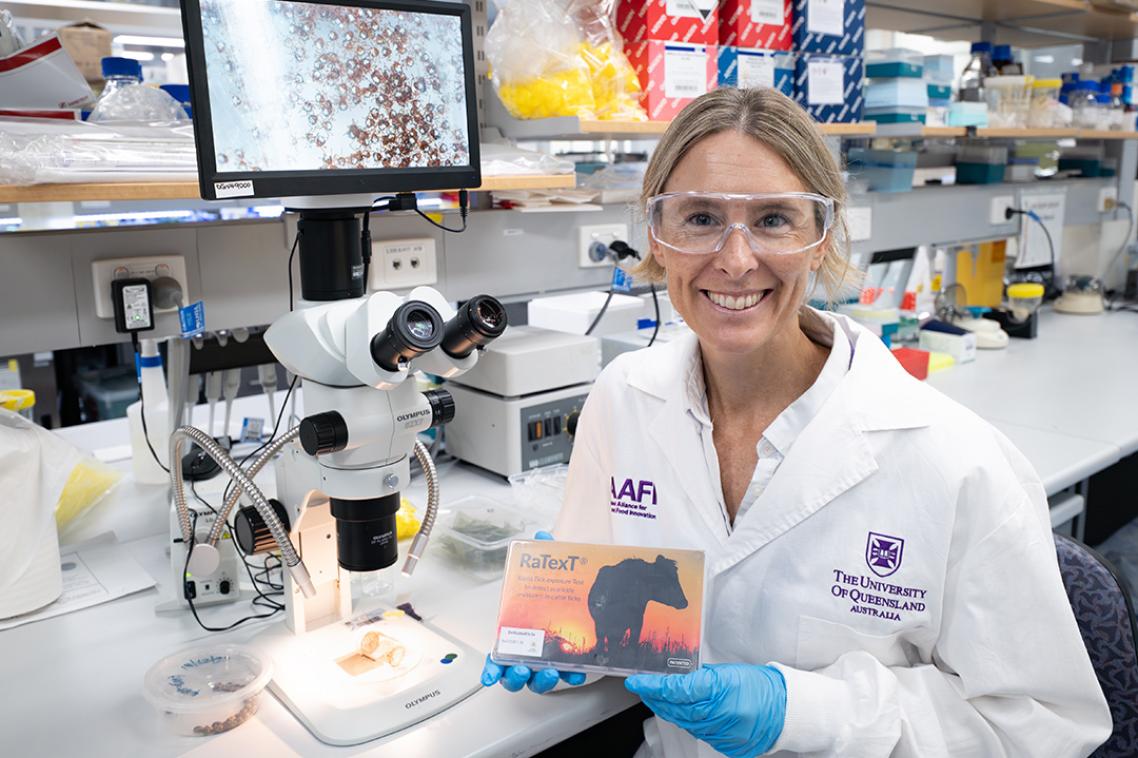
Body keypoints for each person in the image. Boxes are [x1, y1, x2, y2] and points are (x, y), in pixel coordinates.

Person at [482, 87, 1111, 757]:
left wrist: (806, 713)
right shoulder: (623, 399)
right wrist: (565, 642)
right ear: (658, 238)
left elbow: (1044, 727)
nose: (734, 259)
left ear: (821, 239)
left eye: (775, 219)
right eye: (698, 218)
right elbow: (610, 620)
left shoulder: (956, 462)